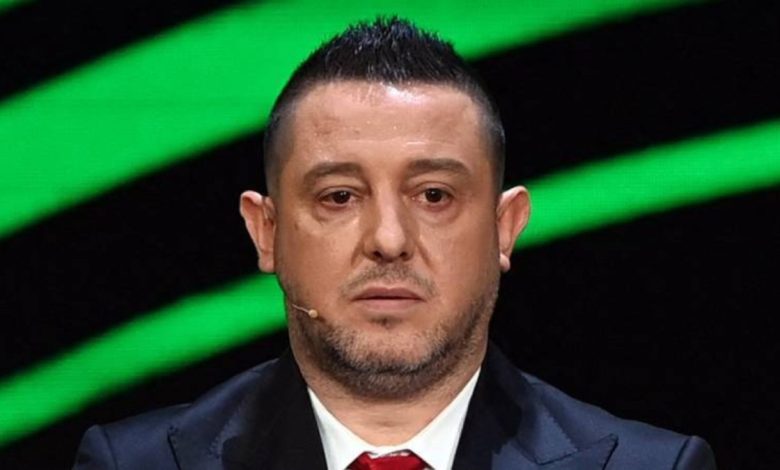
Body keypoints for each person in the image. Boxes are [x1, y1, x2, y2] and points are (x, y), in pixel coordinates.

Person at [73, 17, 716, 470]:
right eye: (339, 196)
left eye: (434, 195)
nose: (388, 240)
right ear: (266, 232)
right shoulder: (134, 463)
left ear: (505, 226)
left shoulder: (653, 466)